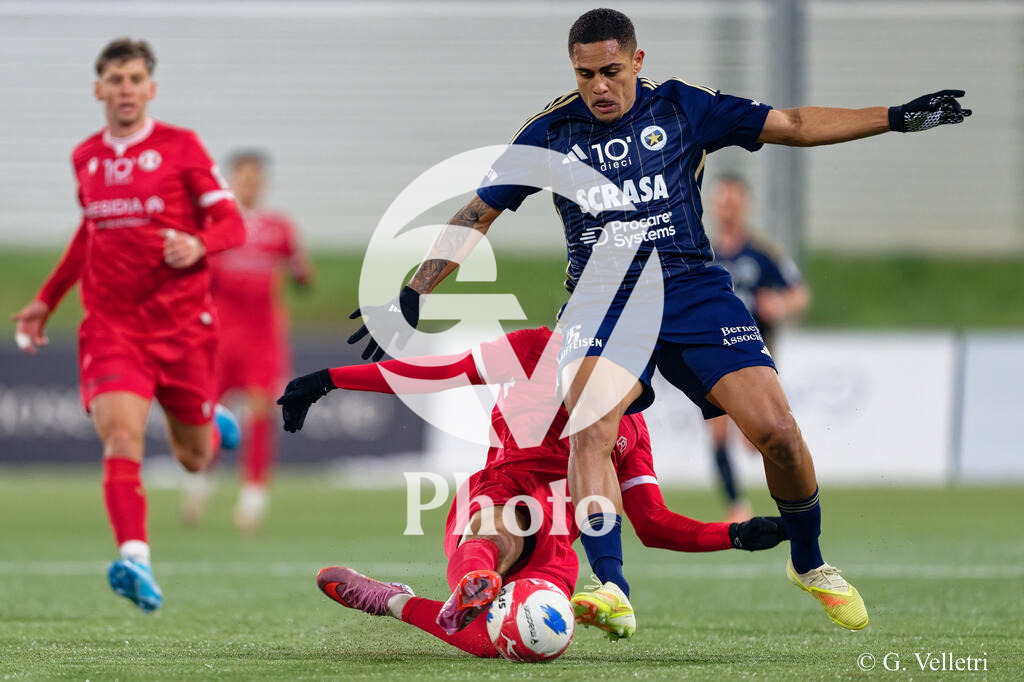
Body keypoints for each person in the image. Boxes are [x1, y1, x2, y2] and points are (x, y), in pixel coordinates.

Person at [345, 8, 970, 634]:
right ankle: (611, 587)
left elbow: (795, 124)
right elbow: (479, 212)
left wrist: (896, 118)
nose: (599, 87)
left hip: (695, 289)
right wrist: (415, 290)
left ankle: (809, 562)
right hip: (604, 297)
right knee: (591, 425)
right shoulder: (550, 133)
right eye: (586, 74)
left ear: (637, 62)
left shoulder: (682, 107)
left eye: (611, 71)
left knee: (776, 432)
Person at [278, 325, 787, 651]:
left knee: (507, 642)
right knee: (498, 529)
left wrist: (735, 535)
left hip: (560, 537)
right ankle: (474, 579)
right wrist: (330, 379)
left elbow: (652, 523)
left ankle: (392, 601)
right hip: (504, 490)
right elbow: (439, 373)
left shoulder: (632, 429)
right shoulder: (537, 348)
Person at [10, 38, 245, 612]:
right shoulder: (85, 157)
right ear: (99, 89)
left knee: (195, 457)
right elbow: (89, 234)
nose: (125, 89)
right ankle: (135, 557)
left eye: (135, 79)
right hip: (114, 328)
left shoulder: (181, 147)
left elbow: (231, 225)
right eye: (115, 79)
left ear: (150, 89)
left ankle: (210, 422)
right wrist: (46, 298)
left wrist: (198, 243)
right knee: (121, 435)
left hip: (185, 327)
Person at [180, 150, 312, 532]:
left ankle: (252, 500)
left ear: (263, 182)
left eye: (256, 176)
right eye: (243, 176)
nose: (250, 183)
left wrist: (302, 272)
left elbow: (302, 273)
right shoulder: (214, 224)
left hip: (262, 337)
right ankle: (198, 484)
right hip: (218, 336)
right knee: (208, 414)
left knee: (259, 413)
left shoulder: (279, 228)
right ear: (231, 181)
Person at [708, 173, 810, 523]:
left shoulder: (763, 255)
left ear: (745, 205)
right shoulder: (701, 254)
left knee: (763, 436)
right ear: (714, 206)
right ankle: (736, 505)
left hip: (754, 356)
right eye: (723, 200)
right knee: (718, 429)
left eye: (734, 200)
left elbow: (799, 293)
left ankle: (791, 499)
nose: (728, 207)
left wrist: (779, 305)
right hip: (713, 355)